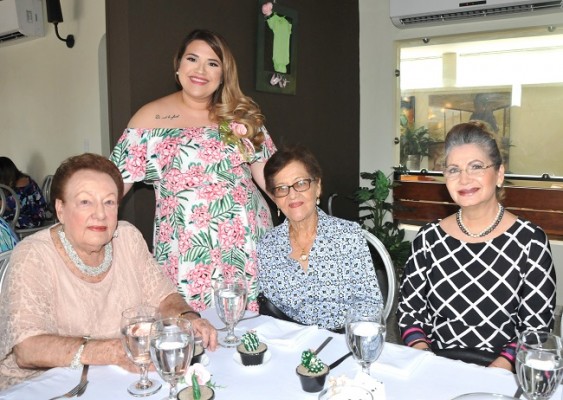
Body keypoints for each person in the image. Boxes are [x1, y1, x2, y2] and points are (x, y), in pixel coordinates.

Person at [0, 153, 218, 390]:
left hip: (115, 378)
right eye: (85, 202)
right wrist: (115, 351)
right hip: (44, 386)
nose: (100, 214)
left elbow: (164, 296)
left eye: (109, 202)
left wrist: (187, 318)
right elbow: (27, 348)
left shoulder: (127, 237)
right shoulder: (33, 255)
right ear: (60, 209)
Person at [110, 29, 276, 312]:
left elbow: (270, 177)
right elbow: (113, 187)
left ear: (223, 74)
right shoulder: (148, 118)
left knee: (249, 331)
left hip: (246, 240)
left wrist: (306, 220)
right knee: (191, 334)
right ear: (178, 66)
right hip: (187, 246)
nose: (201, 70)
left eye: (213, 63)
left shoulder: (239, 116)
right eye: (192, 59)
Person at [397, 121, 555, 371]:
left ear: (500, 174)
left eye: (476, 167)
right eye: (453, 169)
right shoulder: (428, 239)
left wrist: (494, 373)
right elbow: (410, 313)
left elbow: (535, 330)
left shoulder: (530, 241)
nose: (464, 178)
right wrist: (427, 360)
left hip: (503, 373)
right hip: (436, 364)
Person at [257, 146, 383, 331]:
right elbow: (269, 309)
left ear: (318, 187)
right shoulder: (267, 245)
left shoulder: (348, 235)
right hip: (289, 345)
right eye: (282, 188)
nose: (292, 194)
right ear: (274, 198)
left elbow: (370, 304)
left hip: (342, 344)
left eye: (300, 183)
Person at [0, 157, 47, 229]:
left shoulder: (24, 187)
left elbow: (8, 204)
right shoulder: (22, 180)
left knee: (2, 223)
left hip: (32, 219)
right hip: (26, 216)